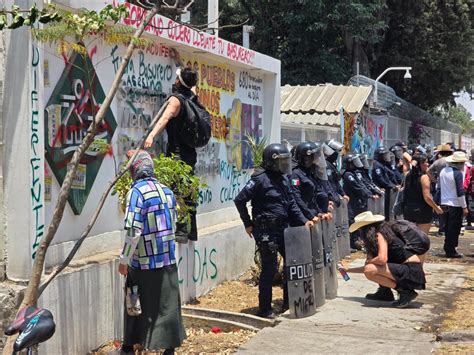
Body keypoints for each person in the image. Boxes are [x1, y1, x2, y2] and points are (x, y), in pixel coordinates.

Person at [234, 143, 314, 318]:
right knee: (269, 270)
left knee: (291, 265)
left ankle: (288, 302)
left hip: (283, 229)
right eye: (282, 161)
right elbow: (239, 200)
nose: (286, 164)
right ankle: (265, 309)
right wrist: (247, 223)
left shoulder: (284, 178)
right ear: (272, 161)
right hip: (265, 231)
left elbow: (292, 203)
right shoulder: (259, 179)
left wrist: (304, 220)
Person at [119, 150, 186, 355]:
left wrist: (124, 259)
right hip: (167, 259)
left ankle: (129, 346)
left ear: (134, 170)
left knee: (135, 303)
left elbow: (133, 230)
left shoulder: (136, 193)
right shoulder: (167, 191)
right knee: (167, 306)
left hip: (143, 262)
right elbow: (173, 223)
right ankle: (169, 349)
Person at [144, 49, 200, 243]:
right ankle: (192, 231)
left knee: (177, 190)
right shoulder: (192, 95)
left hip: (176, 154)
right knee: (188, 188)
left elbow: (165, 118)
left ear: (178, 82)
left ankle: (182, 232)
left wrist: (151, 135)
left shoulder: (176, 101)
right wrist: (179, 59)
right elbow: (187, 77)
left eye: (177, 78)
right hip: (190, 153)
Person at [343, 211, 427, 308]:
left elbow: (381, 260)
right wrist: (348, 270)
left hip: (411, 271)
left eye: (361, 229)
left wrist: (369, 261)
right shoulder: (372, 241)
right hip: (404, 270)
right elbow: (370, 267)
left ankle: (405, 292)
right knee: (371, 268)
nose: (360, 233)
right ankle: (384, 292)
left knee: (371, 268)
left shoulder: (380, 235)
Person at [342, 153, 377, 249]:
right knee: (352, 220)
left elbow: (362, 185)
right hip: (352, 202)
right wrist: (368, 194)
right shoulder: (348, 175)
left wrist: (369, 193)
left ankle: (358, 239)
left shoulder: (354, 173)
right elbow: (357, 187)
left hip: (358, 201)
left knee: (358, 220)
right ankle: (353, 242)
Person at [439, 151, 469, 258]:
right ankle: (451, 250)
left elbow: (440, 188)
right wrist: (464, 207)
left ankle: (448, 248)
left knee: (447, 228)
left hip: (444, 203)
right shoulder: (457, 174)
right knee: (454, 228)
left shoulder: (443, 171)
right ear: (459, 163)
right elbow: (460, 192)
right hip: (455, 204)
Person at [403, 154, 443, 234]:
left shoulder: (407, 174)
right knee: (422, 238)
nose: (428, 164)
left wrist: (413, 162)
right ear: (420, 164)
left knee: (411, 237)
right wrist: (436, 208)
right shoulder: (424, 177)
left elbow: (404, 155)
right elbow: (427, 197)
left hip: (408, 210)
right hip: (422, 210)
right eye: (426, 162)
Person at [290, 142, 328, 223]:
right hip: (301, 220)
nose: (316, 159)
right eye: (313, 156)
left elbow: (312, 199)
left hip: (312, 217)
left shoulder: (308, 173)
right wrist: (309, 215)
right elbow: (297, 198)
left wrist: (319, 212)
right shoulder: (295, 174)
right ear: (306, 158)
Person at [428, 144, 454, 237]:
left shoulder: (438, 162)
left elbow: (428, 171)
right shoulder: (453, 161)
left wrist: (434, 180)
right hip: (452, 187)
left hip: (440, 187)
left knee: (441, 208)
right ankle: (449, 228)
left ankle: (442, 228)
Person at [372, 146, 398, 221]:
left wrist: (393, 185)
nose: (386, 157)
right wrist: (391, 186)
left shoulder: (382, 164)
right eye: (384, 155)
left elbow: (388, 177)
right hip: (381, 190)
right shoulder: (377, 165)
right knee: (382, 211)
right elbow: (380, 179)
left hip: (386, 189)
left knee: (387, 209)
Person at [323, 140, 350, 206]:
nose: (337, 153)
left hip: (334, 197)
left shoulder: (332, 164)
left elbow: (335, 182)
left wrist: (342, 194)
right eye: (336, 151)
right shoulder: (326, 165)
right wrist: (333, 198)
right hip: (329, 200)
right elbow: (328, 184)